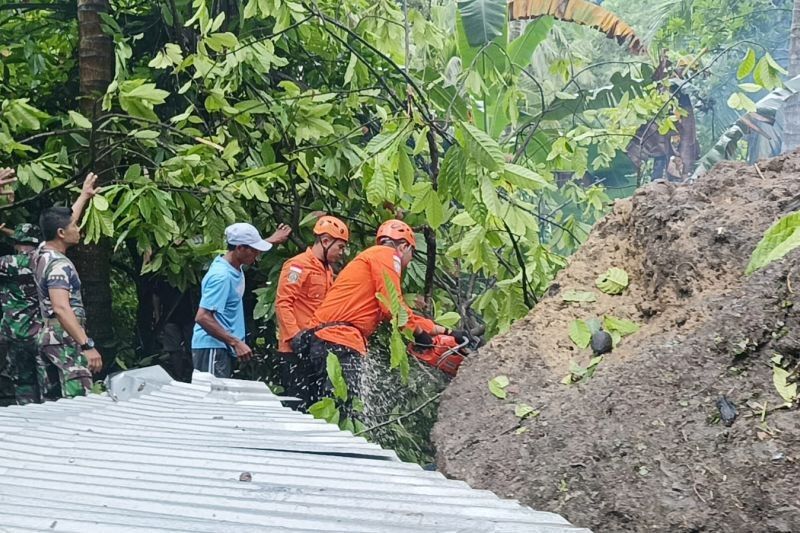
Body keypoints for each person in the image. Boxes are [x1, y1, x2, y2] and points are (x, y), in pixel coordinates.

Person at [297, 219, 451, 411]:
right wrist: (419, 334)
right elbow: (394, 309)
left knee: (328, 407)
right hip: (338, 341)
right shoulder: (388, 255)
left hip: (327, 339)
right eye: (412, 254)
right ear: (403, 246)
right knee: (343, 409)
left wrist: (444, 330)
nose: (409, 262)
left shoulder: (375, 257)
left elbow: (397, 308)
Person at [34, 173, 102, 399]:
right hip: (65, 338)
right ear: (62, 234)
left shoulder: (41, 253)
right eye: (75, 226)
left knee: (53, 406)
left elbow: (62, 222)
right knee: (79, 403)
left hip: (47, 336)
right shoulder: (59, 265)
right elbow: (61, 308)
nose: (79, 229)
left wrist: (84, 196)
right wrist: (86, 345)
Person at [192, 222, 291, 378]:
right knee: (212, 400)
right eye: (254, 251)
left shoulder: (234, 264)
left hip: (223, 347)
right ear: (240, 248)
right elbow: (202, 317)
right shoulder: (221, 277)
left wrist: (272, 239)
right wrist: (235, 342)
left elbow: (250, 249)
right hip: (212, 347)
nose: (257, 255)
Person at [275, 215, 349, 409]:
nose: (342, 252)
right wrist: (294, 337)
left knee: (318, 406)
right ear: (325, 241)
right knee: (297, 406)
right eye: (340, 247)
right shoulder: (297, 266)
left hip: (317, 349)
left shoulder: (327, 271)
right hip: (294, 350)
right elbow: (283, 303)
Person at [0, 223, 44, 404]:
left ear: (16, 243)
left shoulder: (7, 263)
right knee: (48, 384)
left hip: (15, 333)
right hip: (42, 334)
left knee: (23, 383)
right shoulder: (45, 260)